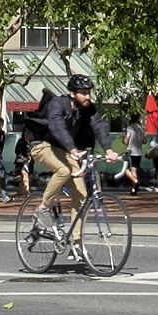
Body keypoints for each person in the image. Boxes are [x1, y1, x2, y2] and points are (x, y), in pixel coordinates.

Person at [31, 75, 120, 216]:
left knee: (81, 196)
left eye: (89, 93)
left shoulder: (87, 109)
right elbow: (58, 127)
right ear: (72, 94)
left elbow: (99, 125)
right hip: (42, 145)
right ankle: (43, 207)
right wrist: (73, 149)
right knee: (64, 171)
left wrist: (108, 150)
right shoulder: (57, 104)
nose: (88, 97)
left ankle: (76, 238)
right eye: (83, 93)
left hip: (63, 150)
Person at [121, 115, 147, 193]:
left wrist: (123, 140)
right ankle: (134, 189)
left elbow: (126, 141)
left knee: (126, 170)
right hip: (139, 152)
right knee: (134, 169)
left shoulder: (130, 128)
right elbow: (145, 141)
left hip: (131, 152)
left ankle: (135, 181)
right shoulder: (141, 129)